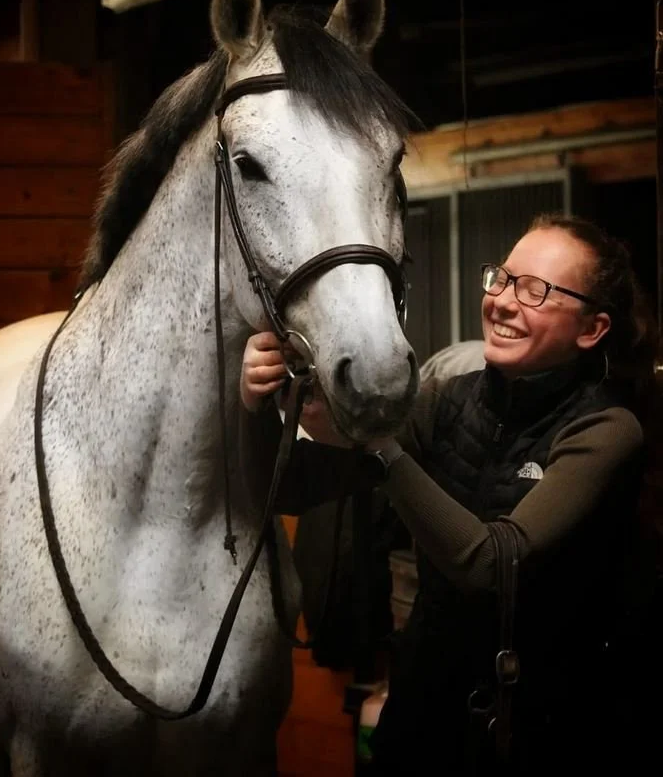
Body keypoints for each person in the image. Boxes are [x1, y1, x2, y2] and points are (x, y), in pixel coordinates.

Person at [239, 213, 660, 774]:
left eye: (535, 290)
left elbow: (493, 566)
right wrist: (258, 403)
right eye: (503, 278)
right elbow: (291, 487)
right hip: (421, 717)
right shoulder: (446, 401)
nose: (503, 301)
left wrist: (382, 448)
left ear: (592, 329)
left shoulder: (607, 431)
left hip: (537, 731)